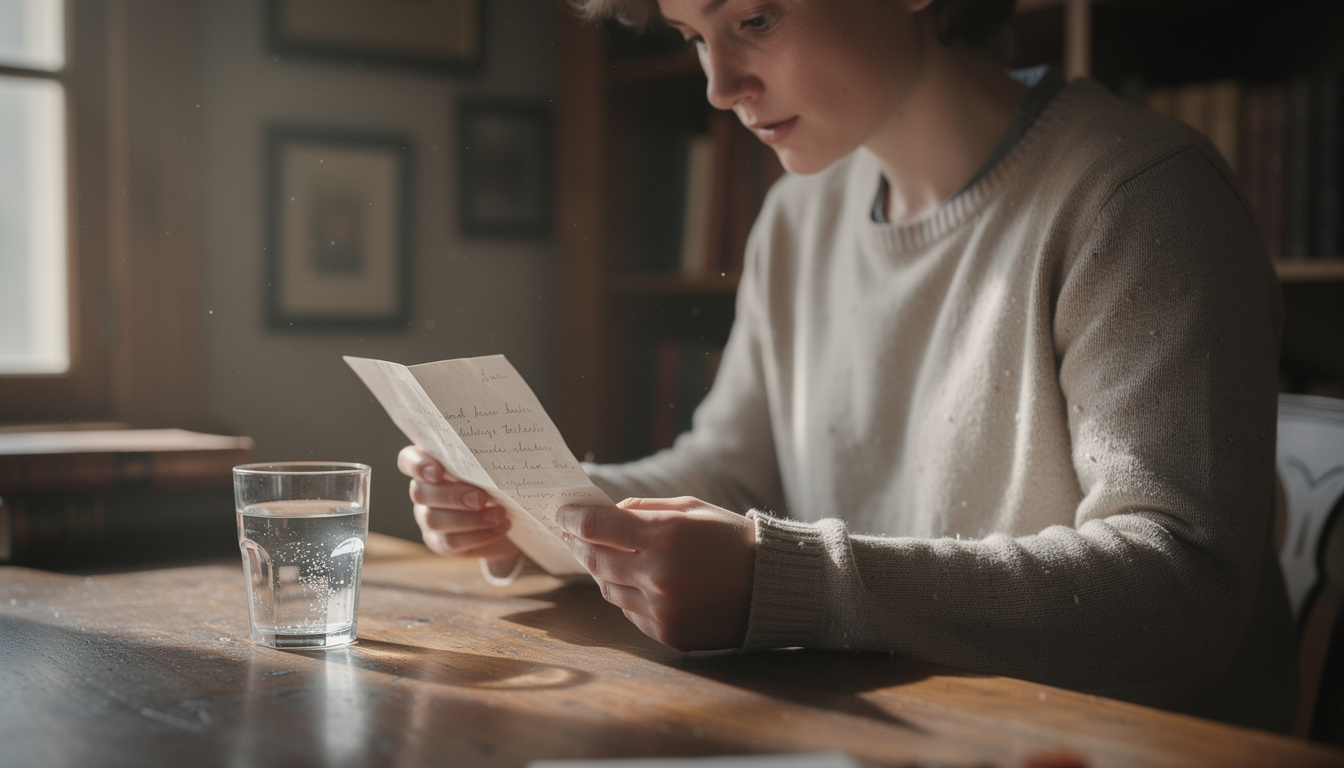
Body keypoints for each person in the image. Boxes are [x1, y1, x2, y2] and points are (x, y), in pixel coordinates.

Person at [400, 0, 1297, 730]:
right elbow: (732, 468)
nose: (718, 86)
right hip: (891, 733)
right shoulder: (800, 215)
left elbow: (1181, 595)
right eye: (691, 38)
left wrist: (782, 580)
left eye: (752, 21)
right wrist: (536, 504)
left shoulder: (1137, 197)